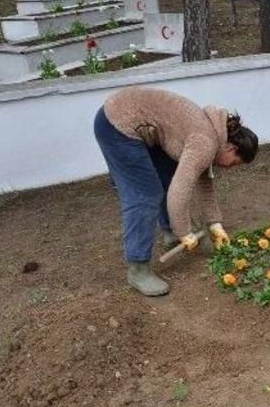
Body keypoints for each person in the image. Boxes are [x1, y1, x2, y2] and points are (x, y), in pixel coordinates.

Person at [94, 87, 258, 296]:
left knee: (169, 175)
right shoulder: (205, 143)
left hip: (144, 126)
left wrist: (214, 224)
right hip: (117, 125)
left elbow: (204, 182)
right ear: (231, 149)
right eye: (235, 163)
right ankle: (138, 269)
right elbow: (179, 192)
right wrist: (186, 232)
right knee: (145, 194)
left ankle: (170, 233)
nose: (231, 167)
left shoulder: (215, 135)